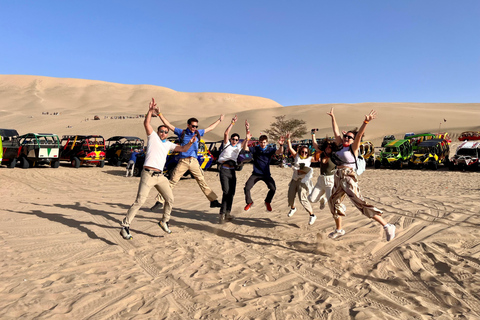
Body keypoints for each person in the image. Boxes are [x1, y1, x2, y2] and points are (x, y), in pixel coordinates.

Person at [120, 98, 196, 240]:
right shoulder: (153, 137)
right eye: (161, 131)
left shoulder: (168, 144)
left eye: (165, 132)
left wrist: (191, 143)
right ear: (158, 131)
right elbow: (146, 123)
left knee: (170, 199)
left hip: (160, 177)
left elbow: (183, 148)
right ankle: (125, 226)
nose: (163, 133)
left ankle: (164, 221)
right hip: (148, 174)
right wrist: (150, 111)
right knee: (140, 201)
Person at [326, 107, 396, 241]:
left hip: (348, 177)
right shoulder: (340, 145)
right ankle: (339, 229)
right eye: (345, 136)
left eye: (349, 137)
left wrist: (366, 122)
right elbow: (335, 131)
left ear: (353, 140)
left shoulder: (354, 148)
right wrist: (333, 117)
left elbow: (358, 135)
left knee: (360, 203)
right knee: (333, 202)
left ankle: (387, 225)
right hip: (338, 176)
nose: (346, 138)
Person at [151, 111, 225, 210]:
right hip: (183, 161)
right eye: (193, 126)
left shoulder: (198, 133)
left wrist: (219, 120)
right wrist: (160, 114)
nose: (195, 128)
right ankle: (160, 201)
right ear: (188, 125)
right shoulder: (182, 133)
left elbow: (210, 128)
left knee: (201, 181)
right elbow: (168, 125)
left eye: (196, 126)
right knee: (173, 180)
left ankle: (213, 201)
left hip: (194, 161)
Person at [243, 122, 285, 212]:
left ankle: (267, 202)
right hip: (256, 174)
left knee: (273, 188)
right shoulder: (256, 149)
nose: (263, 144)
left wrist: (281, 145)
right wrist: (247, 139)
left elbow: (279, 152)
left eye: (264, 142)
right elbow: (245, 148)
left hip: (266, 174)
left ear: (267, 142)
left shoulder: (270, 149)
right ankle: (249, 202)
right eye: (261, 142)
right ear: (259, 142)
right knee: (247, 187)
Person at [217, 115, 251, 223]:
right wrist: (232, 123)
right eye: (233, 139)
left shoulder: (238, 147)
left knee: (231, 193)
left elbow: (247, 139)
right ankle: (222, 214)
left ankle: (228, 213)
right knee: (226, 191)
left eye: (236, 140)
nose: (235, 141)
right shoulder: (226, 144)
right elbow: (226, 133)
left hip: (232, 171)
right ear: (230, 139)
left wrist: (247, 128)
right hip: (224, 169)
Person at [285, 133, 316, 225]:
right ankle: (293, 208)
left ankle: (312, 215)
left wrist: (313, 136)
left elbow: (319, 158)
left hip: (303, 181)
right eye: (302, 152)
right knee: (290, 196)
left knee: (302, 198)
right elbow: (290, 148)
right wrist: (288, 139)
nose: (304, 153)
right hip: (294, 179)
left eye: (306, 152)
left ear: (308, 153)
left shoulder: (310, 159)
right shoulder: (297, 156)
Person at [308, 132, 337, 211]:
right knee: (311, 199)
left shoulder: (334, 155)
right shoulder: (322, 154)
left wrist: (334, 139)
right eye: (326, 146)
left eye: (330, 147)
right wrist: (313, 134)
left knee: (331, 202)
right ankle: (322, 199)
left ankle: (341, 209)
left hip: (330, 182)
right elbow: (315, 144)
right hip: (321, 180)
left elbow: (339, 144)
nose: (328, 148)